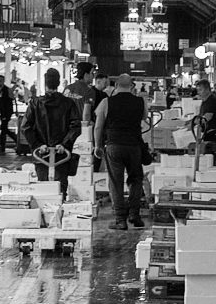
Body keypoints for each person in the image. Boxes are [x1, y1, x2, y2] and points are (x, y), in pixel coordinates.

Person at [95, 75, 150, 231]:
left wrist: (97, 145)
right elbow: (145, 117)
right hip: (134, 146)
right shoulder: (140, 101)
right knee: (136, 179)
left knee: (115, 182)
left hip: (114, 146)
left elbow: (98, 127)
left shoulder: (106, 102)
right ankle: (135, 215)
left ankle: (120, 220)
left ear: (116, 85)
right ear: (132, 85)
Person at [25, 68, 83, 201]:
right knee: (60, 188)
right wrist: (64, 144)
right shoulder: (68, 103)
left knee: (43, 187)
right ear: (59, 84)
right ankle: (59, 214)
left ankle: (45, 216)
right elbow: (76, 126)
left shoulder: (35, 103)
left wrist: (37, 145)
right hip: (61, 153)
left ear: (45, 83)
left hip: (41, 153)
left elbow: (26, 127)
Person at [0, 79, 17, 154]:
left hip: (6, 112)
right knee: (4, 129)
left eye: (0, 81)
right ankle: (13, 140)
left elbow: (11, 100)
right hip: (2, 112)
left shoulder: (7, 90)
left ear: (3, 81)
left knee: (3, 129)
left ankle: (3, 146)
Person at [195, 80, 216, 152]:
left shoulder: (212, 101)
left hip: (212, 135)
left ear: (207, 89)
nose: (198, 92)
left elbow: (207, 117)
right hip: (206, 133)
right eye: (198, 90)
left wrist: (196, 122)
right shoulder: (205, 101)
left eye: (200, 90)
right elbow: (200, 115)